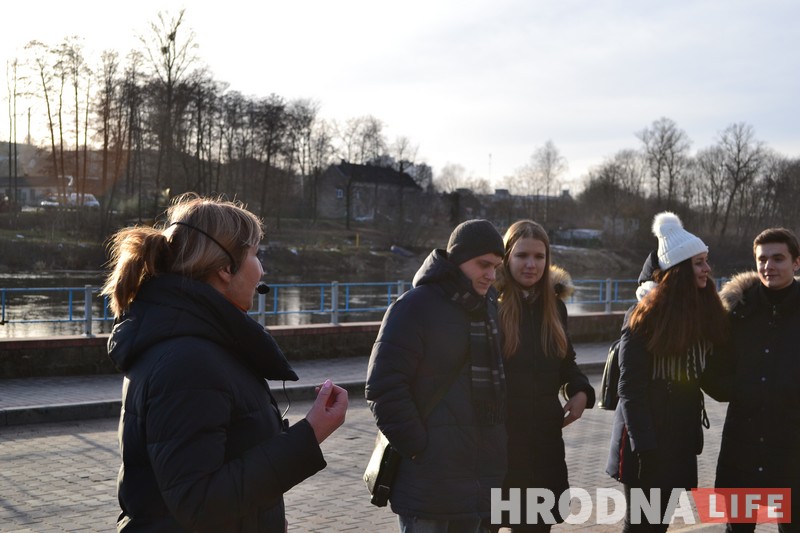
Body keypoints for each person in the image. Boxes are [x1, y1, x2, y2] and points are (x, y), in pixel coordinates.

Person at [101, 193, 348, 532]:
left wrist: (301, 432)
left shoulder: (200, 343)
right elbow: (200, 504)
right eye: (255, 254)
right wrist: (309, 436)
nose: (261, 269)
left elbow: (228, 448)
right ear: (225, 268)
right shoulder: (188, 361)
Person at [365, 219, 508, 533]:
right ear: (458, 260)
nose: (491, 275)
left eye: (496, 266)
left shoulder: (487, 307)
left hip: (473, 478)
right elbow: (383, 388)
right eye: (483, 264)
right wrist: (419, 448)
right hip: (427, 477)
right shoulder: (414, 307)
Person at [606, 211, 728, 532]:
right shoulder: (643, 316)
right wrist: (645, 447)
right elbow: (630, 389)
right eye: (699, 262)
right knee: (641, 527)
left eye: (706, 260)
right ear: (679, 271)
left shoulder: (704, 313)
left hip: (679, 441)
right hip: (644, 443)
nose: (707, 269)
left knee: (658, 525)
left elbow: (712, 379)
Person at [492, 220, 595, 532]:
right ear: (506, 258)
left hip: (543, 446)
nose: (531, 264)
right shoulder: (489, 307)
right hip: (499, 446)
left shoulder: (555, 308)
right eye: (522, 255)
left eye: (539, 256)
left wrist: (580, 390)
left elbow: (566, 363)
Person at [713, 227, 800, 533]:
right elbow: (713, 370)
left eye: (778, 258)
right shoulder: (738, 311)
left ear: (796, 263)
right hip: (743, 448)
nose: (769, 266)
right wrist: (740, 390)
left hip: (792, 450)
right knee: (738, 528)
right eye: (762, 259)